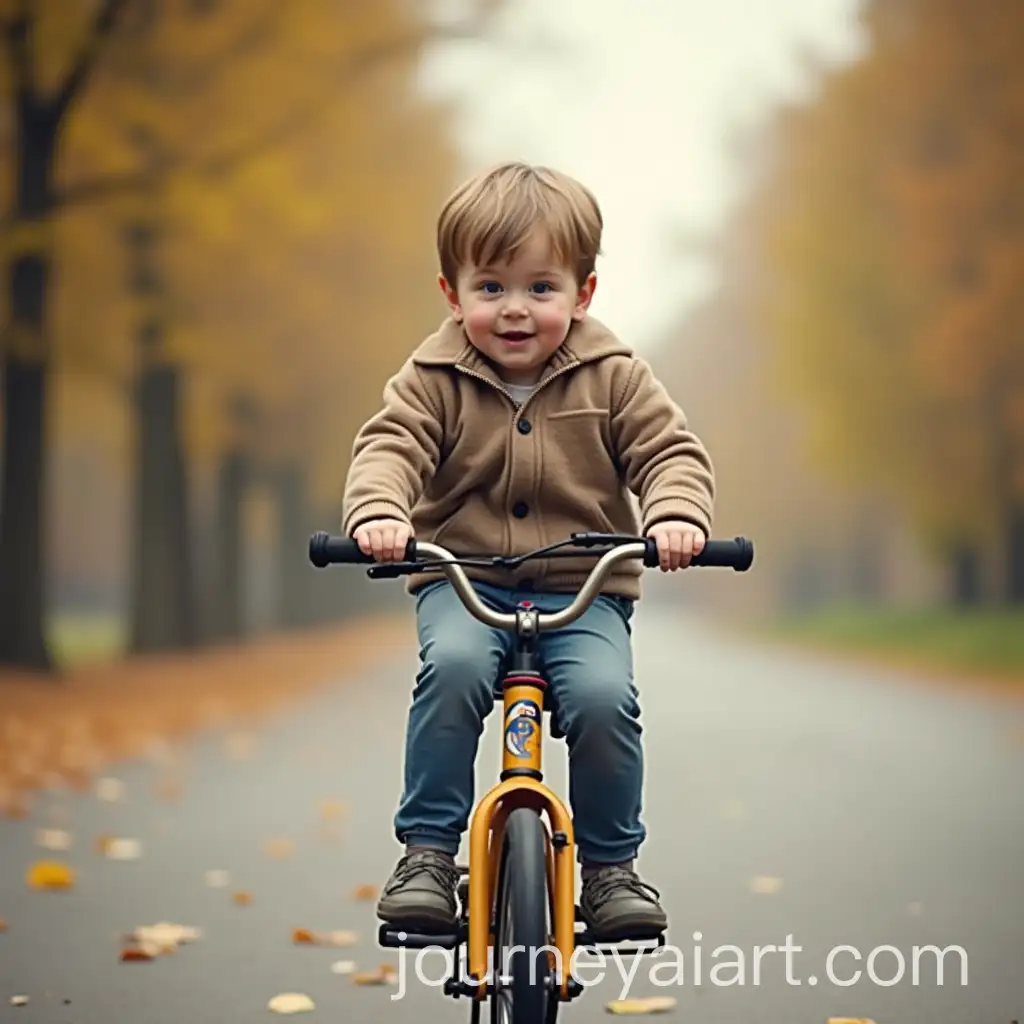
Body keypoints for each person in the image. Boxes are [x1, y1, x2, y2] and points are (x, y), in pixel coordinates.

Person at [341, 161, 715, 941]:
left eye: (540, 289)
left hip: (585, 590)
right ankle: (427, 856)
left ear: (583, 294)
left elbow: (668, 452)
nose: (515, 311)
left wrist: (676, 514)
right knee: (452, 670)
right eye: (491, 289)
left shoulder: (614, 376)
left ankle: (612, 870)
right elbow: (390, 448)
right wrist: (380, 511)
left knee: (605, 699)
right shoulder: (432, 377)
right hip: (466, 582)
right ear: (453, 292)